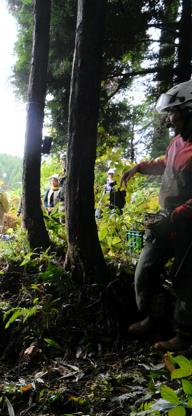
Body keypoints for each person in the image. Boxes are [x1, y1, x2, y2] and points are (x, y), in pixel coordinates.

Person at [122, 78, 192, 352]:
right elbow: (166, 164)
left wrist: (177, 215)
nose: (170, 120)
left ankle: (185, 335)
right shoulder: (176, 143)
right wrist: (140, 167)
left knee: (185, 277)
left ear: (188, 112)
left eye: (173, 114)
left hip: (187, 224)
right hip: (166, 220)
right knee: (145, 270)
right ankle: (155, 317)